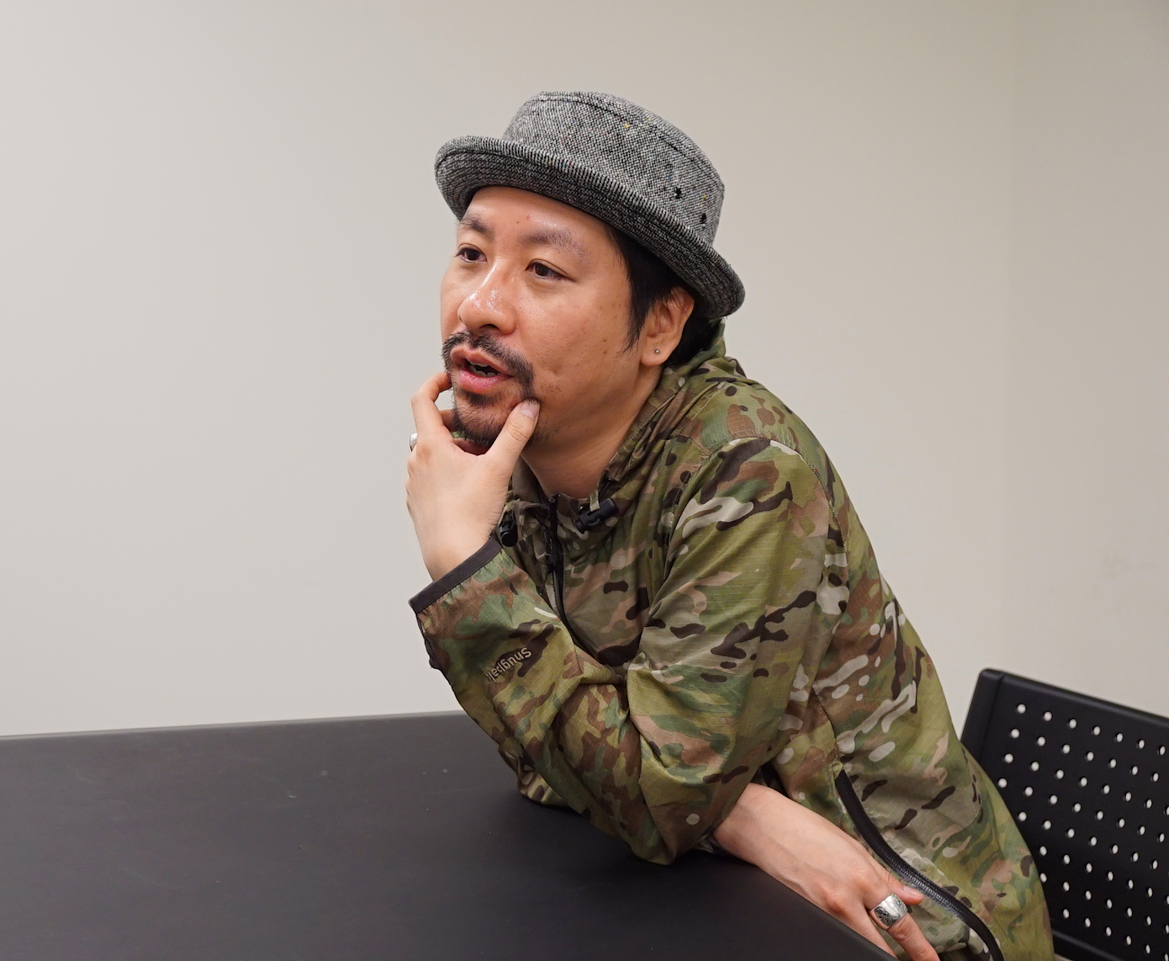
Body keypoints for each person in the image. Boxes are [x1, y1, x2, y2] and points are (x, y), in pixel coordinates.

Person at [404, 92, 1053, 961]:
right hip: (723, 898)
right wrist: (742, 814)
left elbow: (645, 793)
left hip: (902, 927)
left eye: (544, 270)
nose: (480, 304)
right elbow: (554, 761)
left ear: (662, 324)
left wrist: (464, 566)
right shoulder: (521, 453)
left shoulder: (744, 466)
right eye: (471, 253)